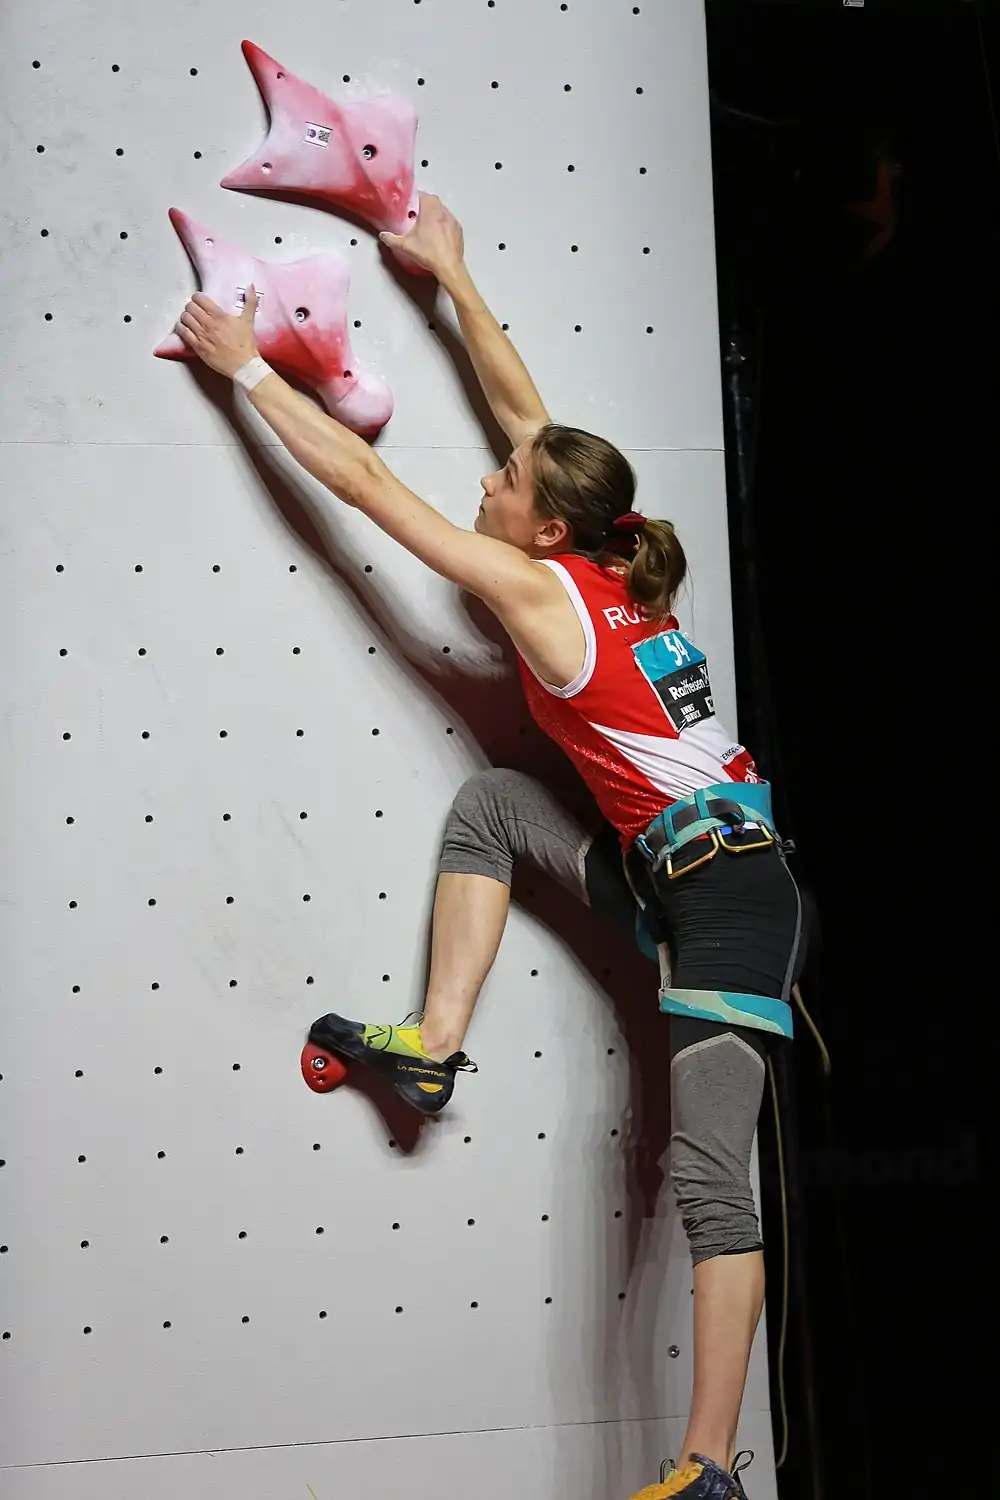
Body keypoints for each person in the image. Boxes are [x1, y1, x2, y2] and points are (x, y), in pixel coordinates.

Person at [174, 193, 803, 1500]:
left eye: (506, 491)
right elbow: (531, 413)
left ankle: (713, 1471)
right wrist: (454, 277)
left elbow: (370, 489)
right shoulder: (612, 556)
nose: (491, 479)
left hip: (733, 902)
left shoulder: (540, 586)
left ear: (544, 533)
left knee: (707, 1184)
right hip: (673, 881)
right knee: (494, 812)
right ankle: (436, 1051)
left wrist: (249, 380)